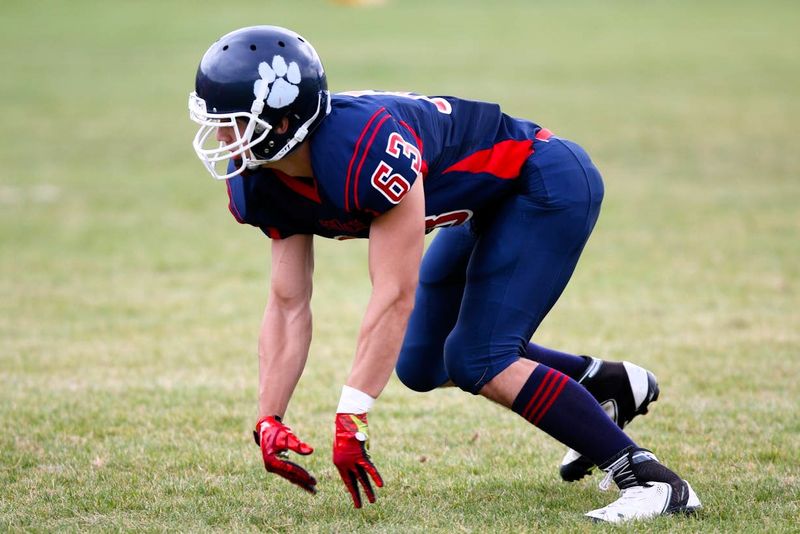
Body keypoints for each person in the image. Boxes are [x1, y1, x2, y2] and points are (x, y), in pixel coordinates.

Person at [187, 25, 701, 523]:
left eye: (230, 121)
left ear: (282, 122)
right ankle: (608, 386)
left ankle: (650, 480)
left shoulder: (361, 150)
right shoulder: (261, 181)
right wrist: (268, 418)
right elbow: (287, 304)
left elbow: (394, 293)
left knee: (480, 357)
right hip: (487, 204)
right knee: (422, 361)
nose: (218, 136)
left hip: (543, 179)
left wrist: (353, 411)